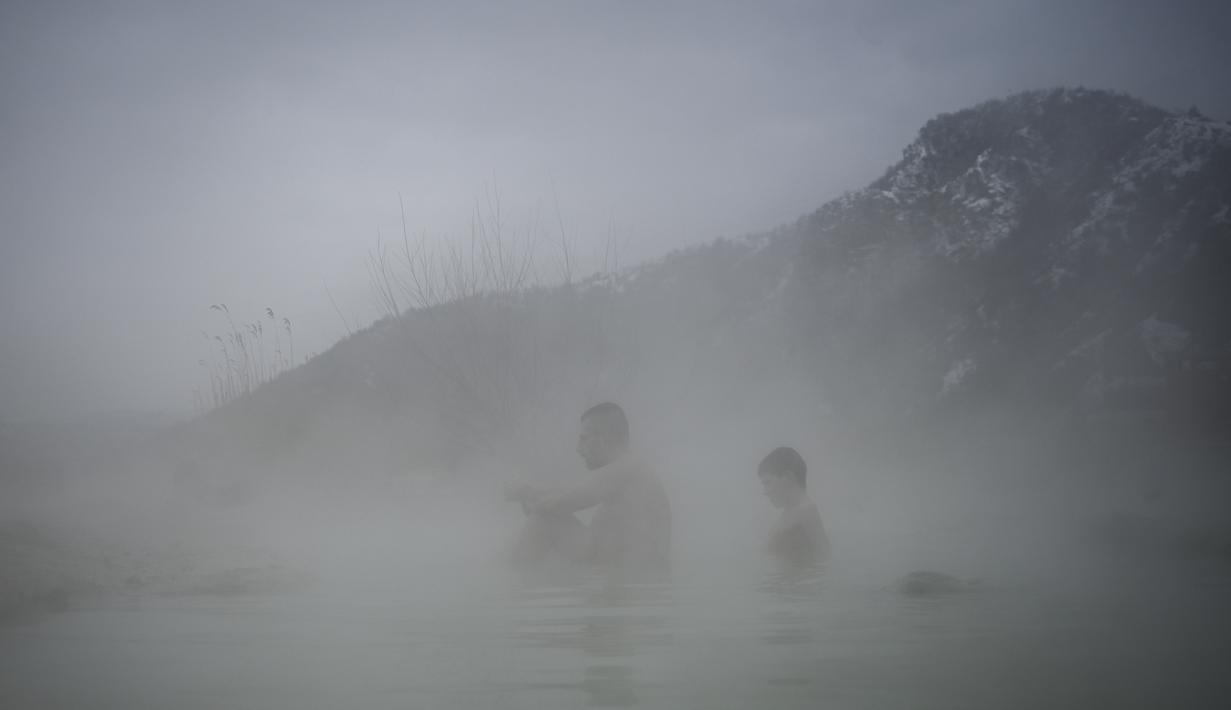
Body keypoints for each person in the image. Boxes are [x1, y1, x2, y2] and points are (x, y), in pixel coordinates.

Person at [507, 403, 671, 574]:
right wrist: (531, 497)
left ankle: (511, 584)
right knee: (547, 517)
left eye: (584, 438)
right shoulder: (628, 474)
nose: (578, 448)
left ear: (605, 438)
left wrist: (527, 495)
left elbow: (565, 501)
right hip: (626, 578)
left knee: (544, 520)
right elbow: (566, 495)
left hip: (633, 581)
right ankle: (516, 580)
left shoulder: (627, 468)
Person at [758, 446, 829, 566]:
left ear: (788, 477)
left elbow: (823, 559)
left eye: (767, 483)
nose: (765, 491)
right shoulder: (792, 512)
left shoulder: (805, 513)